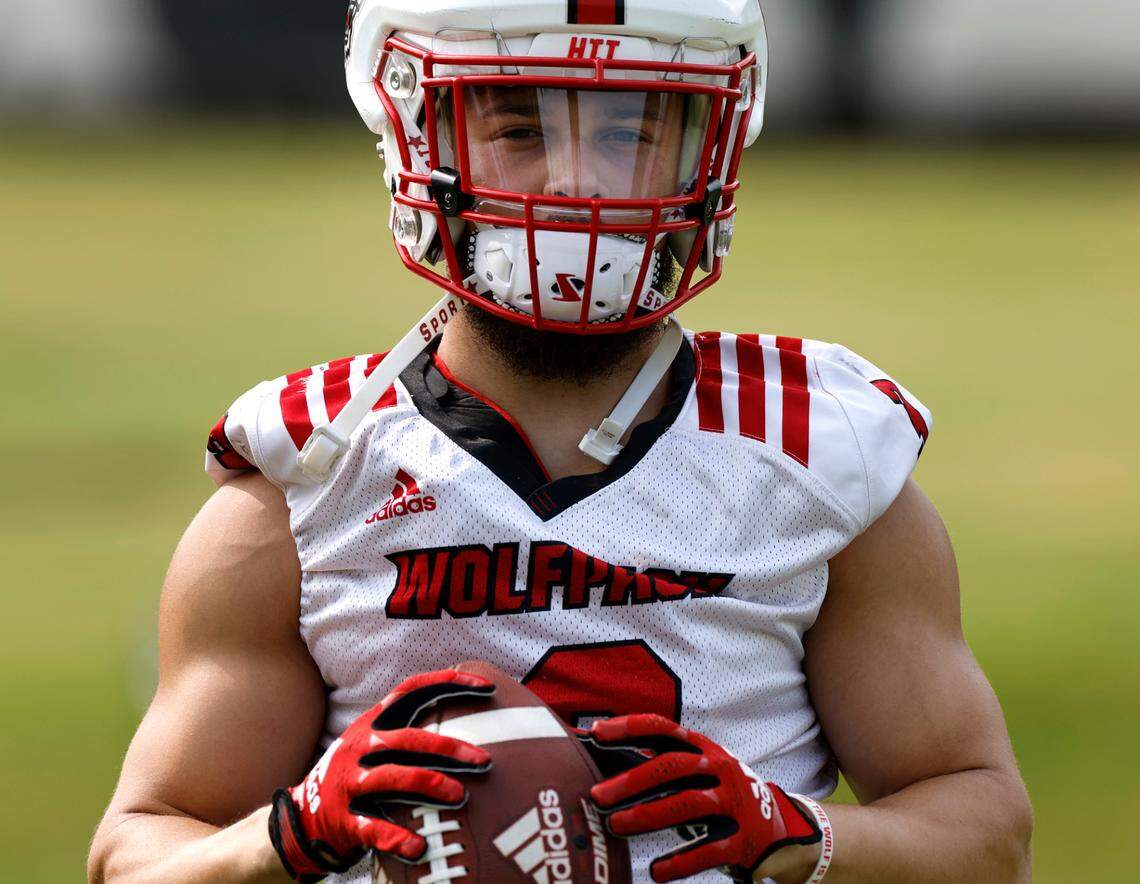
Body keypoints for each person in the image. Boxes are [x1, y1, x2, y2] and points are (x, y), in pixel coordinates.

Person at [88, 2, 1032, 883]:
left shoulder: (815, 456)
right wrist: (291, 831)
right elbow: (137, 853)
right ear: (416, 135)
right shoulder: (308, 478)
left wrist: (802, 835)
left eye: (629, 133)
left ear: (708, 150)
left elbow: (987, 832)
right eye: (519, 130)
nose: (576, 178)